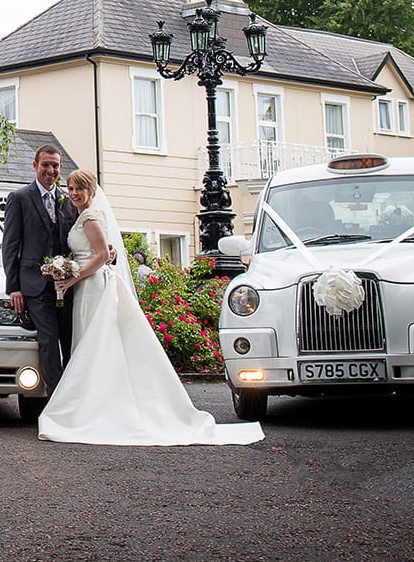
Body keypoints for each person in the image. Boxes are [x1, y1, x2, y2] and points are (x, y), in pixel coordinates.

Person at [39, 170, 264, 447]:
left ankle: (94, 407)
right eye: (71, 188)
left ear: (91, 190)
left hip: (93, 286)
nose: (73, 193)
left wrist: (74, 275)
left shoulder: (90, 217)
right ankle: (96, 400)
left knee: (94, 343)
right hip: (88, 285)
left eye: (79, 189)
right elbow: (103, 252)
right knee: (93, 343)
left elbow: (99, 257)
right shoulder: (84, 216)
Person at [0, 145, 75, 398]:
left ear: (60, 168)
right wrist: (13, 287)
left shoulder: (67, 200)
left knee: (71, 339)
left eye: (55, 166)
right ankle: (56, 401)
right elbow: (10, 245)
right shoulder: (20, 198)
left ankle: (74, 395)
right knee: (48, 341)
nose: (50, 170)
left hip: (66, 285)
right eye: (45, 165)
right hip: (34, 285)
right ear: (35, 166)